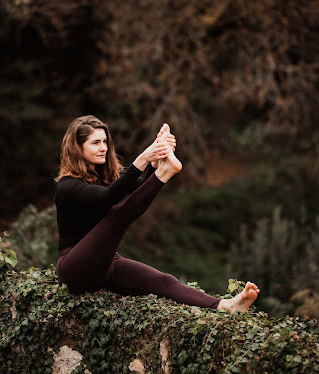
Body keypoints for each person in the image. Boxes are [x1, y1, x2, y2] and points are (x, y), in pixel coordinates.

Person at [55, 115, 260, 312]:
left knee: (163, 280)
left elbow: (140, 189)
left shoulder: (104, 177)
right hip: (73, 268)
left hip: (105, 265)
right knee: (116, 216)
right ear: (77, 147)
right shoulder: (67, 186)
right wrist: (144, 157)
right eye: (95, 143)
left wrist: (156, 161)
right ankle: (165, 172)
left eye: (105, 142)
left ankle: (226, 305)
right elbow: (106, 198)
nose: (103, 148)